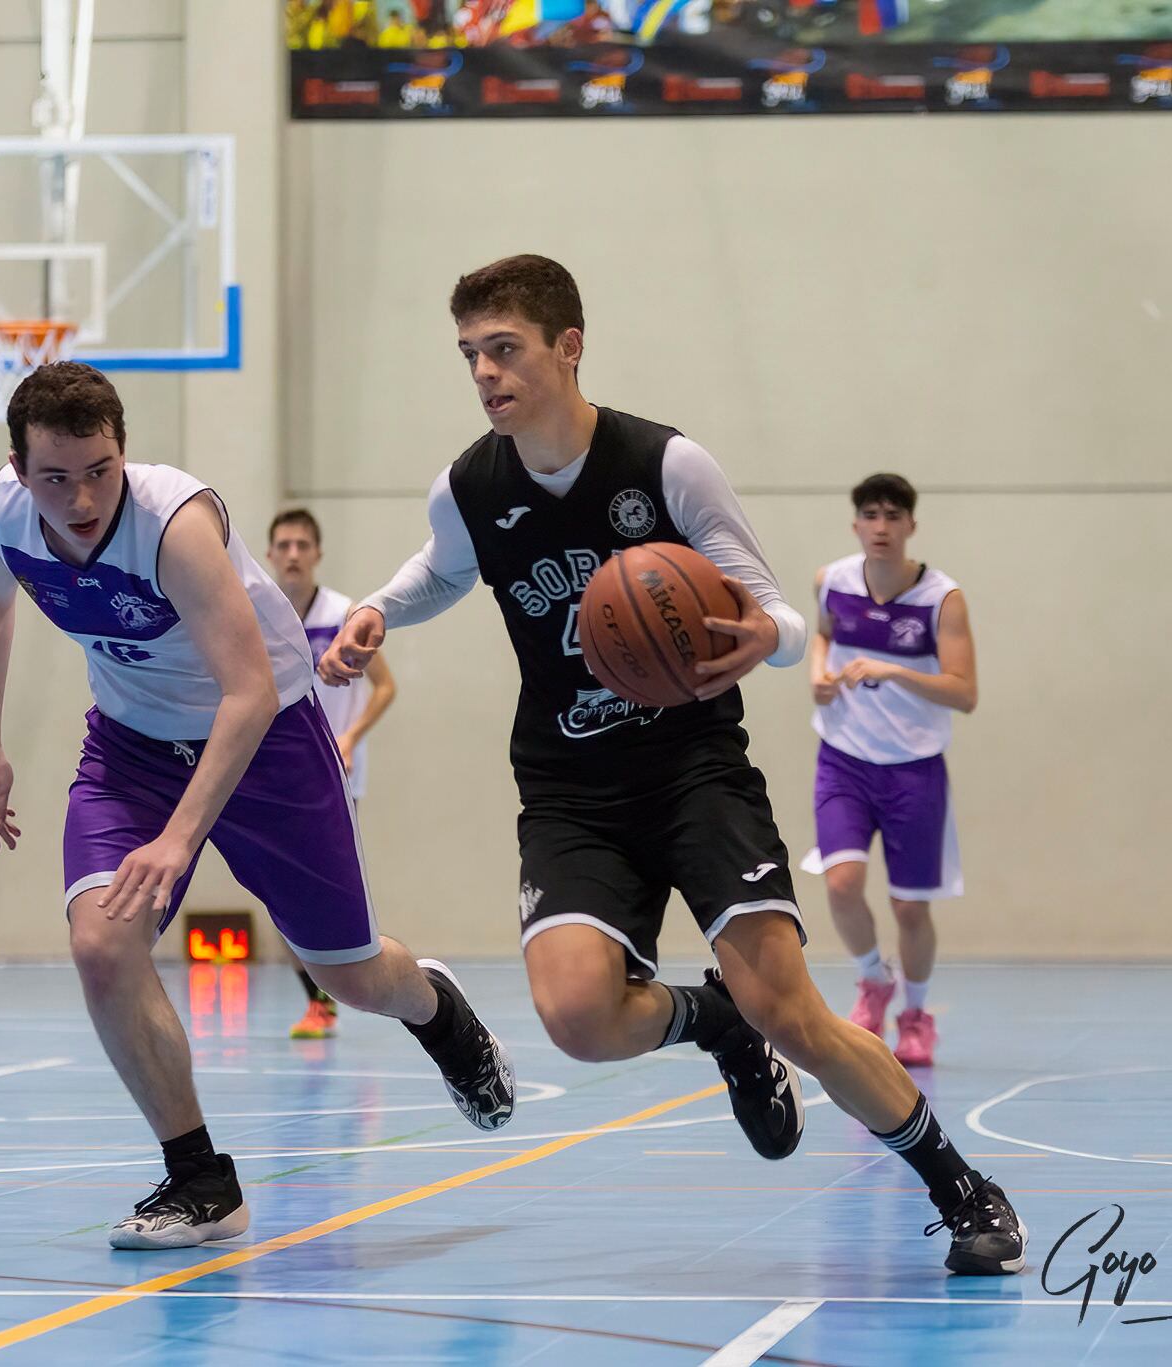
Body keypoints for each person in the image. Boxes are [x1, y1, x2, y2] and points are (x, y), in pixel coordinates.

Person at [320, 255, 1026, 1274]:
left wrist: (765, 640)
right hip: (568, 788)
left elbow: (777, 613)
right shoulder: (470, 484)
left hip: (692, 771)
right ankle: (710, 1021)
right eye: (470, 353)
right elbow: (442, 568)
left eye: (503, 349)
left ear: (567, 347)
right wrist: (380, 608)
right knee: (576, 1018)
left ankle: (961, 1186)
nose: (484, 371)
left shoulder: (665, 466)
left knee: (795, 1010)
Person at [0, 362, 515, 1249]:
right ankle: (201, 1180)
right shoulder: (3, 516)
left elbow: (250, 692)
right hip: (130, 747)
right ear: (21, 471)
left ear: (125, 455)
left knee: (348, 974)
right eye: (56, 477)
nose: (80, 497)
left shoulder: (173, 525)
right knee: (103, 942)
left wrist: (181, 839)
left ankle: (438, 1010)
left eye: (99, 469)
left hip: (268, 738)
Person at [803, 473, 976, 1068]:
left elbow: (964, 692)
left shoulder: (941, 598)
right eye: (871, 516)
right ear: (856, 525)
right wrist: (817, 676)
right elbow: (823, 639)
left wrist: (895, 670)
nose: (881, 527)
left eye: (892, 516)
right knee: (841, 883)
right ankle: (873, 981)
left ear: (910, 526)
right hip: (844, 761)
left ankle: (917, 1015)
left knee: (910, 908)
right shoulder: (833, 582)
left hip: (914, 770)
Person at [267, 508, 401, 1039]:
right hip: (275, 770)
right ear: (271, 553)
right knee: (279, 892)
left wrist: (348, 737)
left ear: (317, 553)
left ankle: (342, 991)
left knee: (325, 886)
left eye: (303, 544)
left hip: (335, 772)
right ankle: (319, 1000)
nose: (294, 553)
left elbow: (386, 687)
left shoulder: (346, 612)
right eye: (284, 544)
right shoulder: (263, 614)